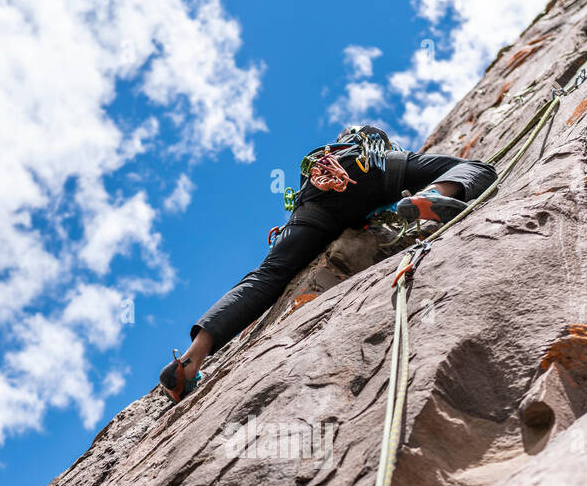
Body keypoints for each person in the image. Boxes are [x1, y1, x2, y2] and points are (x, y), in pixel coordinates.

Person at [160, 125, 497, 402]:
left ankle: (193, 357)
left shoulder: (326, 155)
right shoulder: (370, 145)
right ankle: (436, 194)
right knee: (478, 169)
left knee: (267, 276)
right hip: (371, 171)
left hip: (315, 201)